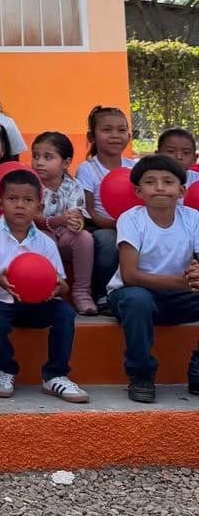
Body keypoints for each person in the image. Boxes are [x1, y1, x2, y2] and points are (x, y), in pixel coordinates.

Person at [0, 169, 89, 403]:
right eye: (13, 199)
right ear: (0, 203)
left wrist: (55, 288)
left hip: (35, 303)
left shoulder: (45, 242)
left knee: (64, 312)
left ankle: (55, 375)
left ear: (39, 207)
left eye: (28, 200)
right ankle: (4, 369)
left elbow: (61, 284)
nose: (20, 206)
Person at [105, 154, 199, 403]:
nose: (159, 187)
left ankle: (198, 368)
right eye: (150, 182)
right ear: (138, 191)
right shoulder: (132, 219)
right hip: (131, 295)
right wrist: (184, 282)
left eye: (168, 182)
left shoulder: (193, 218)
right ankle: (141, 375)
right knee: (138, 300)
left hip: (177, 297)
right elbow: (130, 275)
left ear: (181, 191)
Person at [30, 131, 96, 315]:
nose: (39, 162)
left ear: (66, 163)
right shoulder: (31, 185)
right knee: (44, 238)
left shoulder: (73, 186)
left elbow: (79, 214)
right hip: (38, 236)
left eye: (47, 157)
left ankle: (82, 293)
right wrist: (59, 220)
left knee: (84, 238)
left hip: (65, 238)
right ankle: (50, 289)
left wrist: (77, 223)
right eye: (35, 156)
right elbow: (33, 219)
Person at [76, 105, 135, 302]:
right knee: (109, 242)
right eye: (106, 130)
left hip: (135, 225)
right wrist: (115, 225)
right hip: (103, 226)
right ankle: (103, 293)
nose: (115, 135)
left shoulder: (134, 167)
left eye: (121, 130)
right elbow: (89, 210)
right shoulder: (87, 169)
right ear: (92, 137)